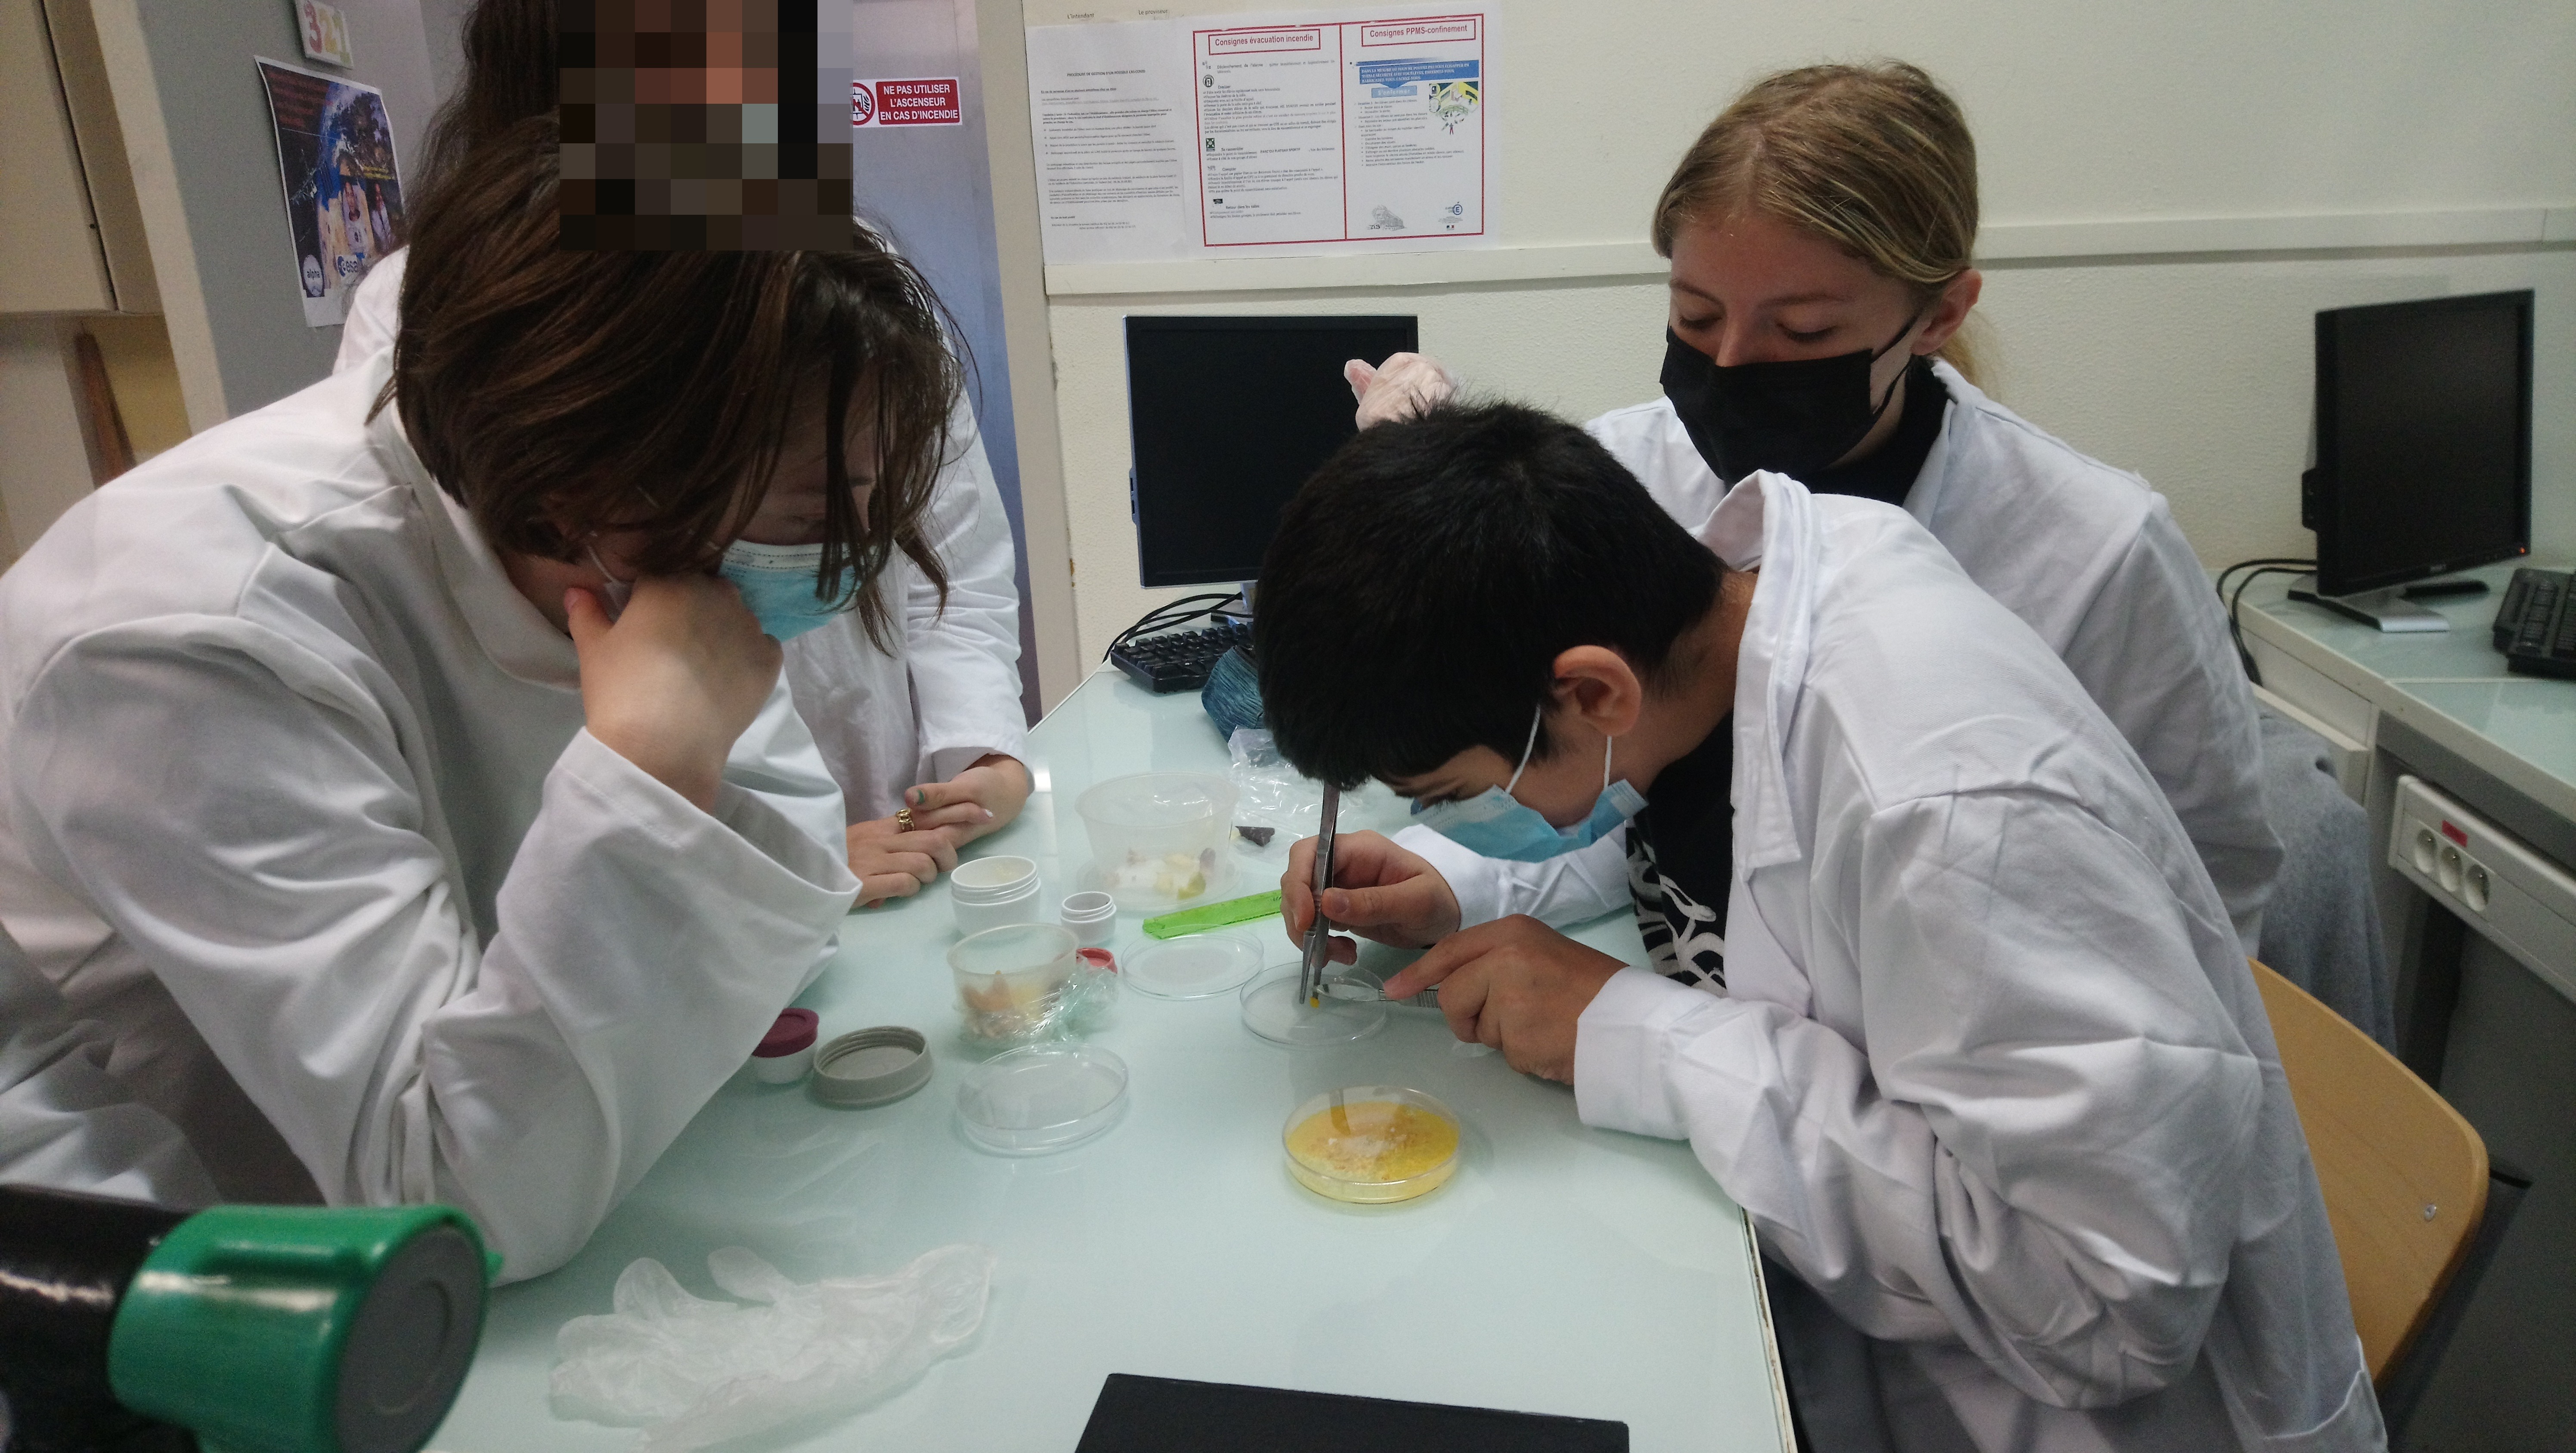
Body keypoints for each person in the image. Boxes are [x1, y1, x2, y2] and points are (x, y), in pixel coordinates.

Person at [1260, 402, 2380, 1452]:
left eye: (1454, 795)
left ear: (1593, 694)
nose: (1452, 818)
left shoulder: (1949, 815)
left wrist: (1642, 1038)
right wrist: (1461, 879)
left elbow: (2106, 1304)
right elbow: (1702, 820)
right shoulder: (1716, 625)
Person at [0, 122, 956, 1279]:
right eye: (814, 514)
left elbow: (788, 917)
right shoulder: (197, 633)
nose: (846, 554)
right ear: (584, 492)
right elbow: (454, 1199)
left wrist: (653, 823)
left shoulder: (642, 553)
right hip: (206, 1250)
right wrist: (649, 777)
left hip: (540, 1173)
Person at [1345, 63, 2278, 974]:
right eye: (1696, 317)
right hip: (1714, 999)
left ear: (1938, 314)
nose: (1731, 365)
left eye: (1803, 332)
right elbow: (1627, 775)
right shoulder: (1627, 473)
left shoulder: (2095, 550)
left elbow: (2196, 885)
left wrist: (1644, 1036)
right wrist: (1461, 879)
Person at [333, 0, 1031, 907]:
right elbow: (528, 648)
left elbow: (951, 544)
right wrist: (785, 859)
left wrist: (981, 752)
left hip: (890, 816)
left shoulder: (841, 275)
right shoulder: (444, 315)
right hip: (657, 866)